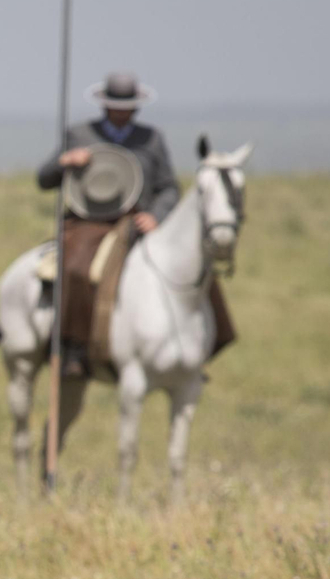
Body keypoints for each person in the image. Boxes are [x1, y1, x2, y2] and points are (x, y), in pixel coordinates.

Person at [37, 71, 234, 377]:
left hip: (138, 220)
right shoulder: (79, 134)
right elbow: (43, 179)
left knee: (196, 266)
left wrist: (156, 215)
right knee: (75, 266)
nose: (122, 112)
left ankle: (207, 344)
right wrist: (65, 161)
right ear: (104, 105)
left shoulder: (151, 139)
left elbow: (168, 186)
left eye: (128, 106)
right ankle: (74, 346)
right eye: (116, 106)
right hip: (90, 221)